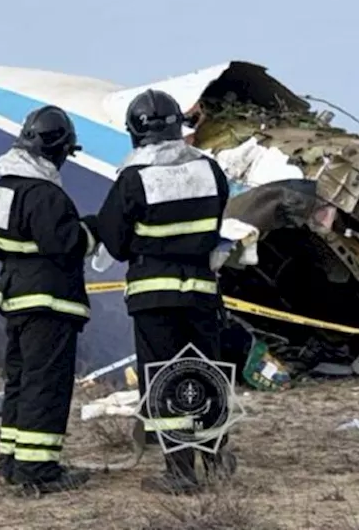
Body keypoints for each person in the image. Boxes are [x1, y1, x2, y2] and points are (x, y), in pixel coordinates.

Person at [94, 88, 236, 495]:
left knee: (165, 378)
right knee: (206, 372)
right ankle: (216, 455)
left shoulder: (133, 178)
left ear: (135, 133)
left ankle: (180, 471)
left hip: (154, 296)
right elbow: (215, 224)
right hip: (202, 293)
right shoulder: (209, 171)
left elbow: (115, 241)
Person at [0, 105, 96, 495]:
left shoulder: (3, 188)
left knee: (21, 381)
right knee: (46, 384)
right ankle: (38, 470)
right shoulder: (45, 194)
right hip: (49, 304)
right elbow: (66, 245)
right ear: (59, 149)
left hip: (15, 298)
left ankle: (12, 463)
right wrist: (92, 230)